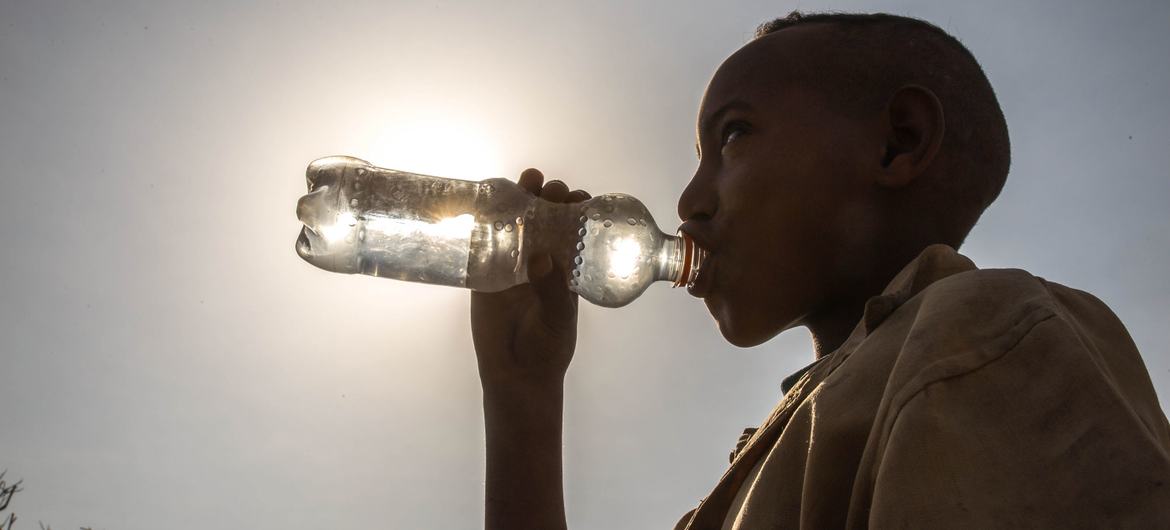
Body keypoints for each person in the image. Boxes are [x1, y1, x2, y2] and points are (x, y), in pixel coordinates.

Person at [470, 11, 1170, 529]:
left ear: (899, 143)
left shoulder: (984, 338)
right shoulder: (764, 467)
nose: (688, 200)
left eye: (733, 135)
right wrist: (524, 399)